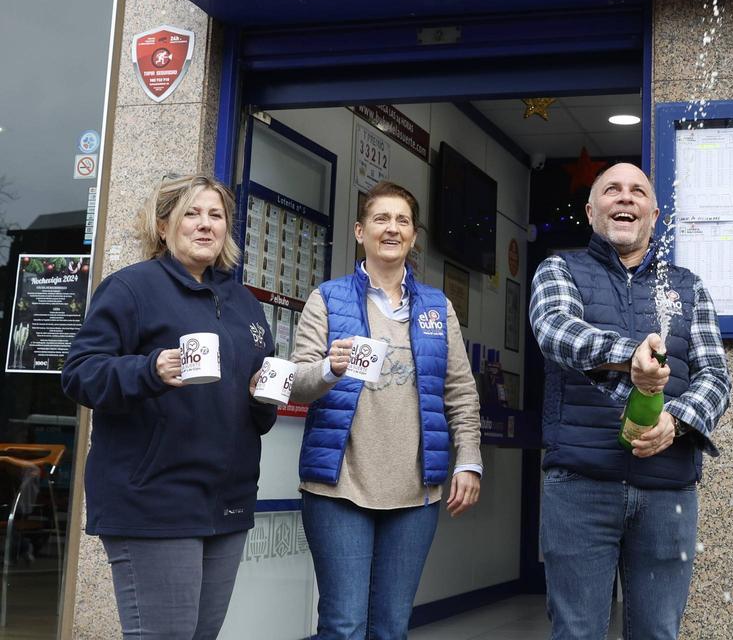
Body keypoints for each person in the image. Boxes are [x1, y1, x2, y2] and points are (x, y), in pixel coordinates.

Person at [62, 174, 277, 640]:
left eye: (215, 216)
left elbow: (258, 413)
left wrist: (264, 397)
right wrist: (149, 371)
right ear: (163, 226)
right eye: (191, 214)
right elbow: (79, 373)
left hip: (227, 503)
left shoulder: (245, 303)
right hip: (154, 503)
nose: (205, 225)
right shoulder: (132, 289)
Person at [529, 162, 731, 640]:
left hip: (668, 490)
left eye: (637, 191)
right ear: (591, 210)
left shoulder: (687, 286)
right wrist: (629, 355)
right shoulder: (561, 269)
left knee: (657, 633)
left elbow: (716, 376)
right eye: (612, 190)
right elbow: (555, 330)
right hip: (580, 485)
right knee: (577, 632)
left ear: (654, 213)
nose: (625, 198)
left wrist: (675, 422)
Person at [290, 180, 482, 640]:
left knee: (392, 627)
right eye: (381, 219)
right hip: (340, 487)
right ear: (360, 231)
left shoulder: (437, 308)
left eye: (402, 221)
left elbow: (460, 390)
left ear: (414, 237)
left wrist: (469, 459)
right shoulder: (327, 299)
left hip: (416, 494)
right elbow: (296, 382)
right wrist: (329, 368)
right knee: (343, 623)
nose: (392, 229)